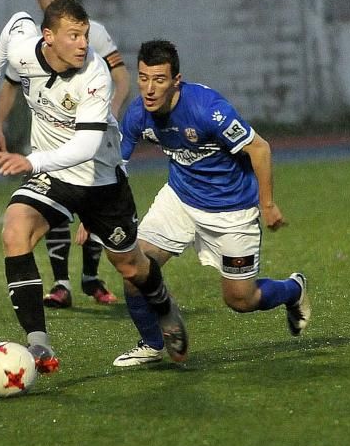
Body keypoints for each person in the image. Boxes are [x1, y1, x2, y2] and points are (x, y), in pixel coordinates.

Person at [0, 0, 189, 371]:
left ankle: (163, 302)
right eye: (74, 35)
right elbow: (14, 24)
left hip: (100, 181)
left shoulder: (95, 75)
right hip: (53, 177)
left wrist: (31, 159)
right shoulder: (25, 51)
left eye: (85, 35)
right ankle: (38, 345)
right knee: (14, 231)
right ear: (48, 37)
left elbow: (86, 146)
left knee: (131, 267)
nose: (83, 43)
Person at [107, 39, 311, 367]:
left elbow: (260, 149)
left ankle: (292, 289)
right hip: (180, 200)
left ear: (176, 80)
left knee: (240, 300)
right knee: (134, 268)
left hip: (232, 210)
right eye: (143, 78)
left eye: (159, 80)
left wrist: (268, 204)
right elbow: (115, 165)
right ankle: (153, 343)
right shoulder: (138, 115)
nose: (148, 88)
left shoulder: (207, 109)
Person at [0, 0, 127, 309]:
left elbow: (121, 78)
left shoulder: (94, 36)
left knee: (106, 230)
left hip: (93, 144)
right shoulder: (32, 43)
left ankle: (92, 277)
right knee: (46, 212)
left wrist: (107, 114)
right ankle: (61, 283)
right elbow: (8, 78)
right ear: (40, 3)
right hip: (49, 146)